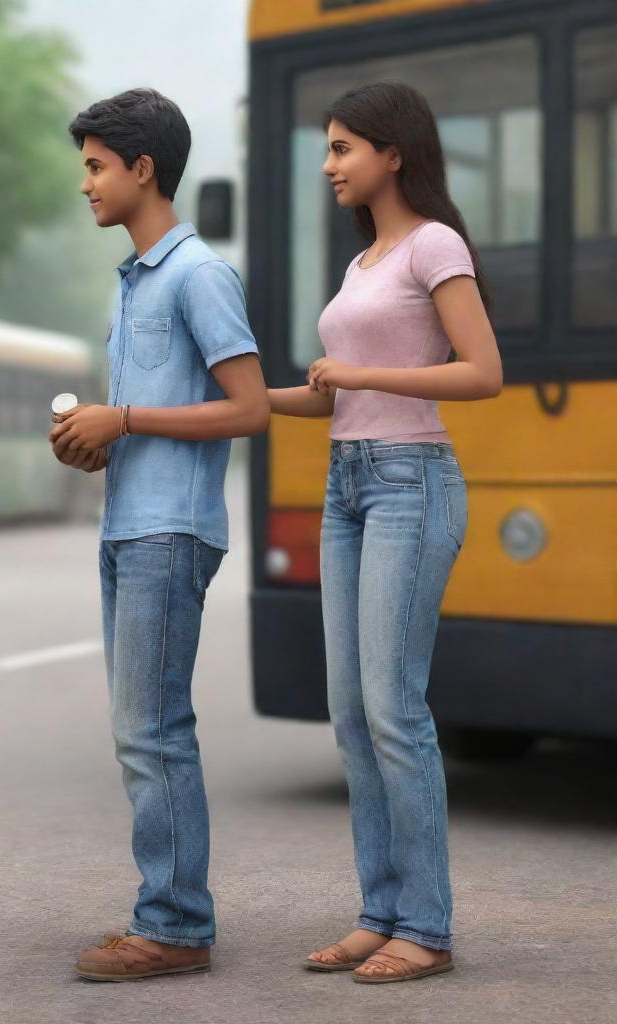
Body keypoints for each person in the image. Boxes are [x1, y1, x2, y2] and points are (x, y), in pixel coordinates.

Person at [267, 81, 502, 984]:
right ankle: (381, 911)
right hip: (348, 487)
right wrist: (233, 403)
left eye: (340, 149)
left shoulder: (435, 244)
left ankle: (428, 928)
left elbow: (482, 373)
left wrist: (363, 370)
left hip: (412, 483)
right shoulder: (365, 262)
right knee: (351, 713)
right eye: (327, 149)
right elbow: (333, 394)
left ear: (391, 153)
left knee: (395, 710)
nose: (328, 166)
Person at [49, 88, 270, 982]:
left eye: (98, 166)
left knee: (153, 731)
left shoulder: (198, 275)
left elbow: (248, 408)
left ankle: (175, 925)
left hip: (170, 533)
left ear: (144, 170)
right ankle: (168, 912)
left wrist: (127, 417)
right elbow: (153, 415)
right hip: (130, 524)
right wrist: (102, 440)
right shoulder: (136, 280)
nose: (87, 184)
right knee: (139, 730)